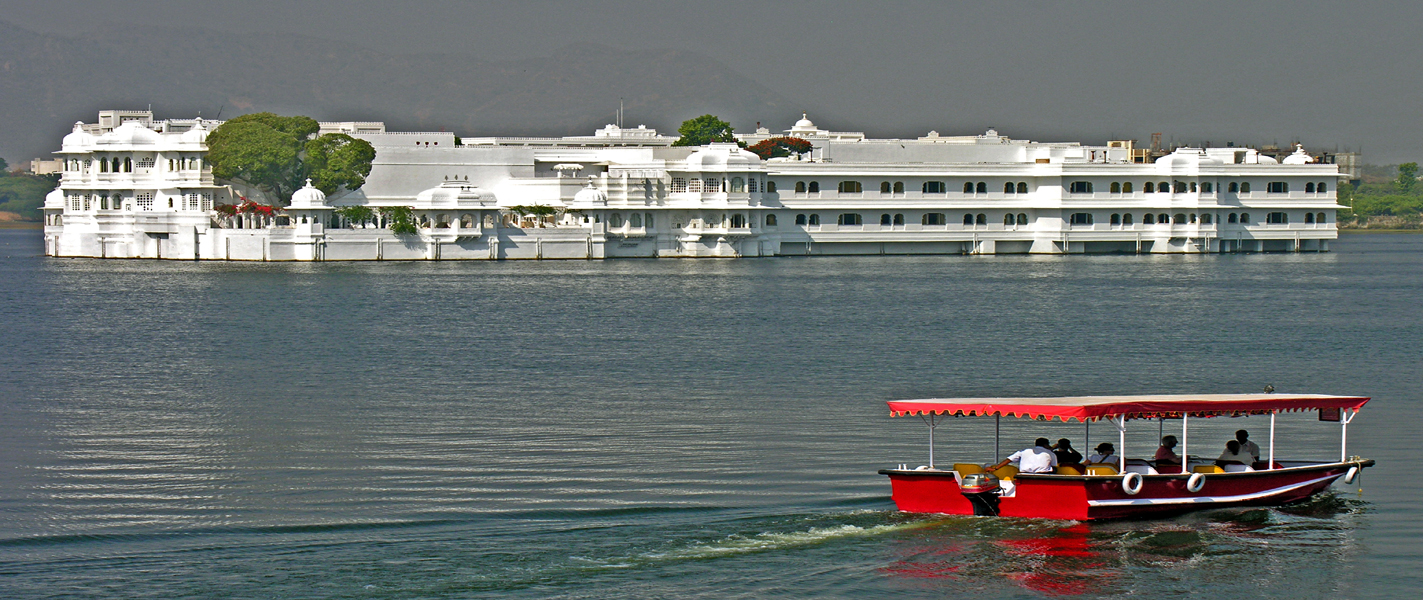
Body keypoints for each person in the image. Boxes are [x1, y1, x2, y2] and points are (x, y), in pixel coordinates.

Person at [987, 437, 1059, 474]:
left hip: (1024, 475)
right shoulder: (1050, 453)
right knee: (1055, 469)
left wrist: (995, 468)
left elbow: (1009, 460)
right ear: (1045, 445)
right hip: (1043, 476)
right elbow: (1054, 466)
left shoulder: (1024, 451)